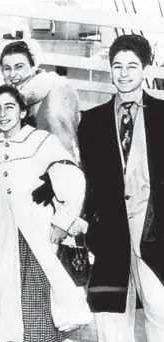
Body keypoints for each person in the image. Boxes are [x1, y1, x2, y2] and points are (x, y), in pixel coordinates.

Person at [0, 84, 91, 342]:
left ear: (23, 110)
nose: (3, 114)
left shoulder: (42, 141)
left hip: (37, 237)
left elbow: (71, 176)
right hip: (8, 241)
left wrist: (63, 222)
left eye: (9, 107)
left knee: (38, 310)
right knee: (13, 310)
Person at [78, 34, 164, 342]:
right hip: (107, 238)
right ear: (110, 70)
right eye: (118, 66)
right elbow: (85, 182)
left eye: (132, 66)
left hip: (155, 235)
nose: (124, 73)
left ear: (146, 70)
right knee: (111, 324)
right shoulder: (90, 121)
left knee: (161, 314)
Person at [0, 39, 81, 164]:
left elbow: (64, 146)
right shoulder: (0, 97)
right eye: (7, 68)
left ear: (33, 67)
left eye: (19, 67)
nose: (13, 75)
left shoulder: (55, 92)